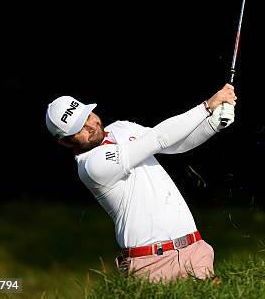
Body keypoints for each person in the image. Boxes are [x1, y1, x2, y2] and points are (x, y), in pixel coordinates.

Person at [44, 84, 237, 283]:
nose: (91, 126)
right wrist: (206, 107)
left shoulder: (121, 128)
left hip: (194, 249)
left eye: (87, 116)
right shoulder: (92, 166)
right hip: (151, 263)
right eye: (80, 129)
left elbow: (172, 144)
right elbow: (158, 138)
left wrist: (212, 124)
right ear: (66, 142)